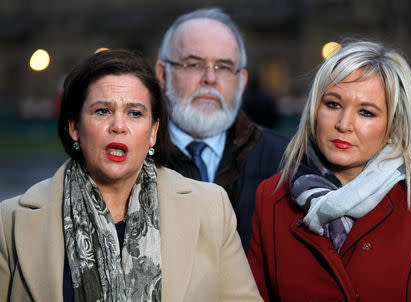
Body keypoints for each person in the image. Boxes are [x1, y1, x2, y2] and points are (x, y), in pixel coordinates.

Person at [0, 49, 262, 302]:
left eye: (134, 113)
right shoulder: (9, 221)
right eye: (102, 111)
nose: (118, 126)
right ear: (74, 127)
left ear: (152, 132)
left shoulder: (211, 208)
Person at [247, 41, 411, 301]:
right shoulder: (272, 197)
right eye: (333, 105)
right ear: (314, 110)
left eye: (366, 112)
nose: (344, 124)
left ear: (393, 125)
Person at [155, 8, 289, 252]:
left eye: (224, 67)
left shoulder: (285, 161)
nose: (209, 78)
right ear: (163, 74)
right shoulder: (134, 158)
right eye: (194, 64)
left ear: (242, 81)